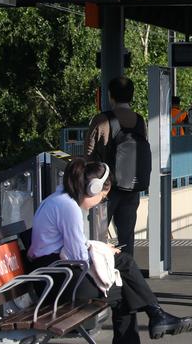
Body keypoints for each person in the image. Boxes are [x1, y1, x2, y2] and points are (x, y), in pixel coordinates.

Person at [27, 159, 192, 343]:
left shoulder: (58, 199)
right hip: (57, 282)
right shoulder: (69, 207)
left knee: (123, 264)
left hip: (52, 276)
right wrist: (101, 251)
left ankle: (157, 314)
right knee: (123, 289)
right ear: (94, 189)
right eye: (103, 197)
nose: (101, 201)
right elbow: (79, 257)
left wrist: (100, 249)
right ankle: (156, 314)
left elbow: (72, 248)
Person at [85, 76, 144, 256]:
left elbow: (88, 154)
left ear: (110, 96)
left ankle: (102, 276)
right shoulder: (139, 121)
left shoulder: (101, 120)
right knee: (127, 237)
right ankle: (126, 274)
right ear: (131, 96)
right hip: (132, 186)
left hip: (105, 189)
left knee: (98, 236)